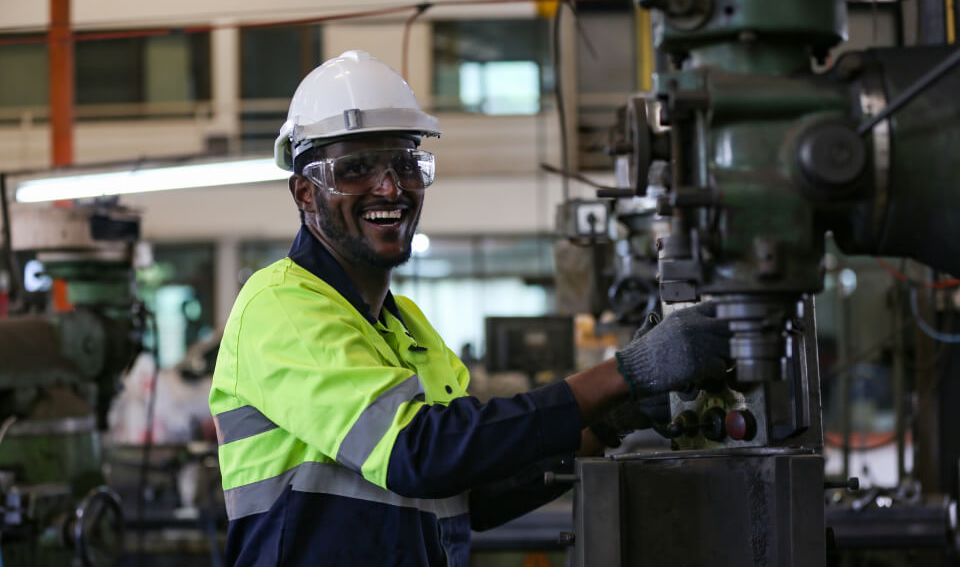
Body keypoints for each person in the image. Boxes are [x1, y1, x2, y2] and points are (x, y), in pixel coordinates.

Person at [209, 50, 730, 566]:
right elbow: (420, 452)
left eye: (407, 165)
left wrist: (614, 418)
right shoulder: (279, 304)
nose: (389, 188)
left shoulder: (409, 328)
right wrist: (625, 373)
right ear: (304, 192)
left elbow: (474, 492)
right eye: (355, 169)